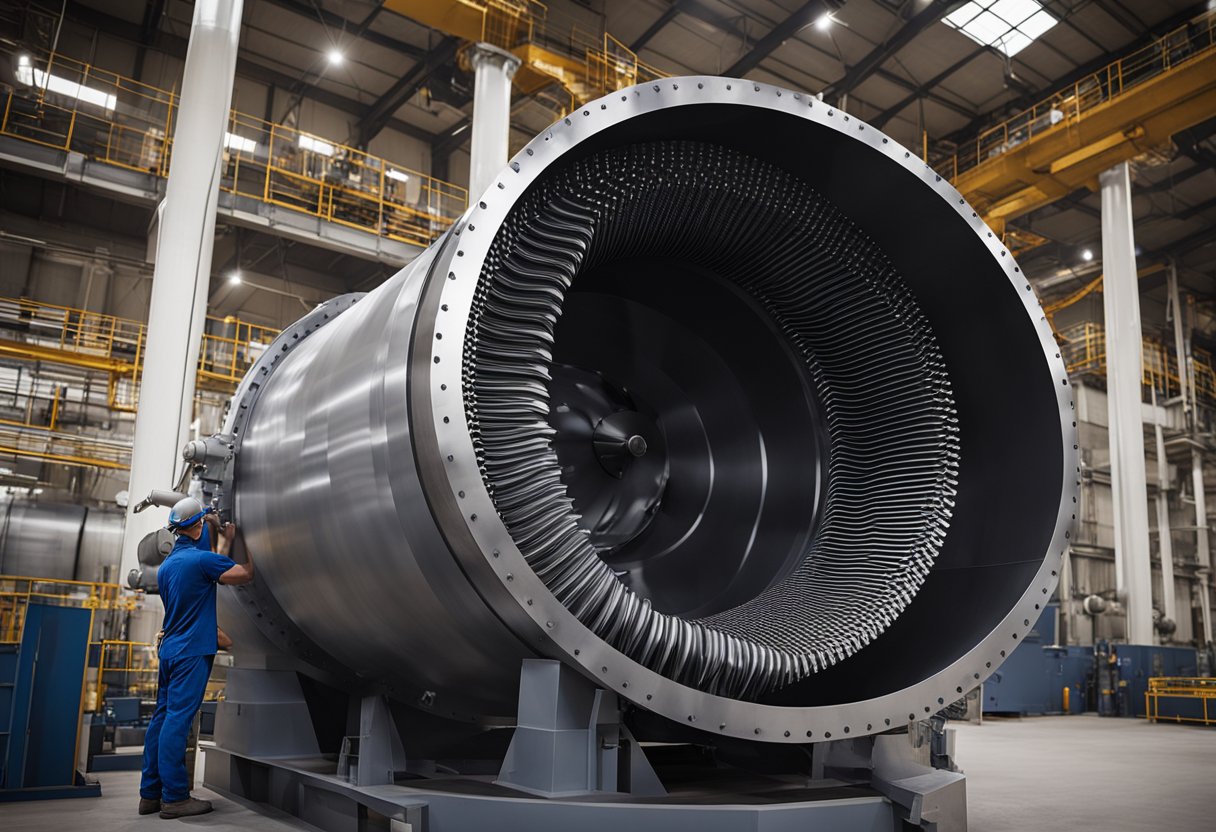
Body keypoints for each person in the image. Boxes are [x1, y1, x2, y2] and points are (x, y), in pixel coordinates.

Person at [138, 497, 253, 819]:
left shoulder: (168, 567)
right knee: (178, 721)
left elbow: (209, 569)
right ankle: (175, 798)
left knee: (161, 719)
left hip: (170, 650)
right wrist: (250, 543)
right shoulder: (202, 561)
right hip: (191, 652)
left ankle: (150, 795)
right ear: (199, 524)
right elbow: (244, 574)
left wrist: (224, 542)